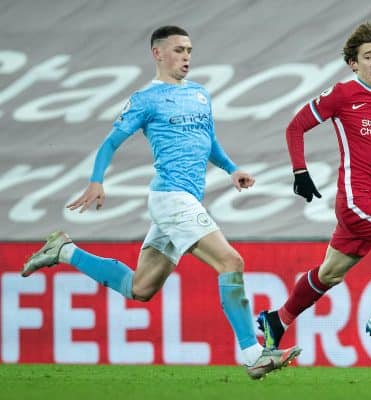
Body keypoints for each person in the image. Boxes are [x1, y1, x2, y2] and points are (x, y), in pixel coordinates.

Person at [22, 25, 300, 379]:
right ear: (158, 53)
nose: (187, 57)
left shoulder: (200, 94)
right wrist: (96, 181)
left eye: (189, 50)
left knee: (140, 288)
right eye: (179, 50)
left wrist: (232, 169)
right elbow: (110, 143)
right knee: (231, 261)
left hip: (180, 201)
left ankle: (64, 251)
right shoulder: (145, 99)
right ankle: (252, 355)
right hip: (171, 198)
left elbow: (208, 139)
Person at [257, 22, 371, 357]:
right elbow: (296, 126)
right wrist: (300, 171)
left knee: (329, 274)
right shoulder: (342, 95)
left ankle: (277, 320)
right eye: (368, 56)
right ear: (353, 63)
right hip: (358, 203)